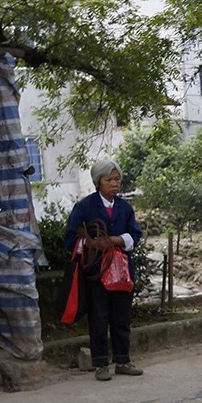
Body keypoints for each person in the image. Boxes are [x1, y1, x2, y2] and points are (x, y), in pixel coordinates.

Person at [63, 158, 144, 382]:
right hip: (96, 272)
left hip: (122, 271)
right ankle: (100, 364)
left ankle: (122, 360)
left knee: (121, 316)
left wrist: (115, 240)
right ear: (99, 182)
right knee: (99, 316)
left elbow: (135, 236)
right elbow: (69, 239)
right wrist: (90, 244)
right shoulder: (84, 207)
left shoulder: (125, 208)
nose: (114, 183)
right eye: (109, 179)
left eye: (117, 179)